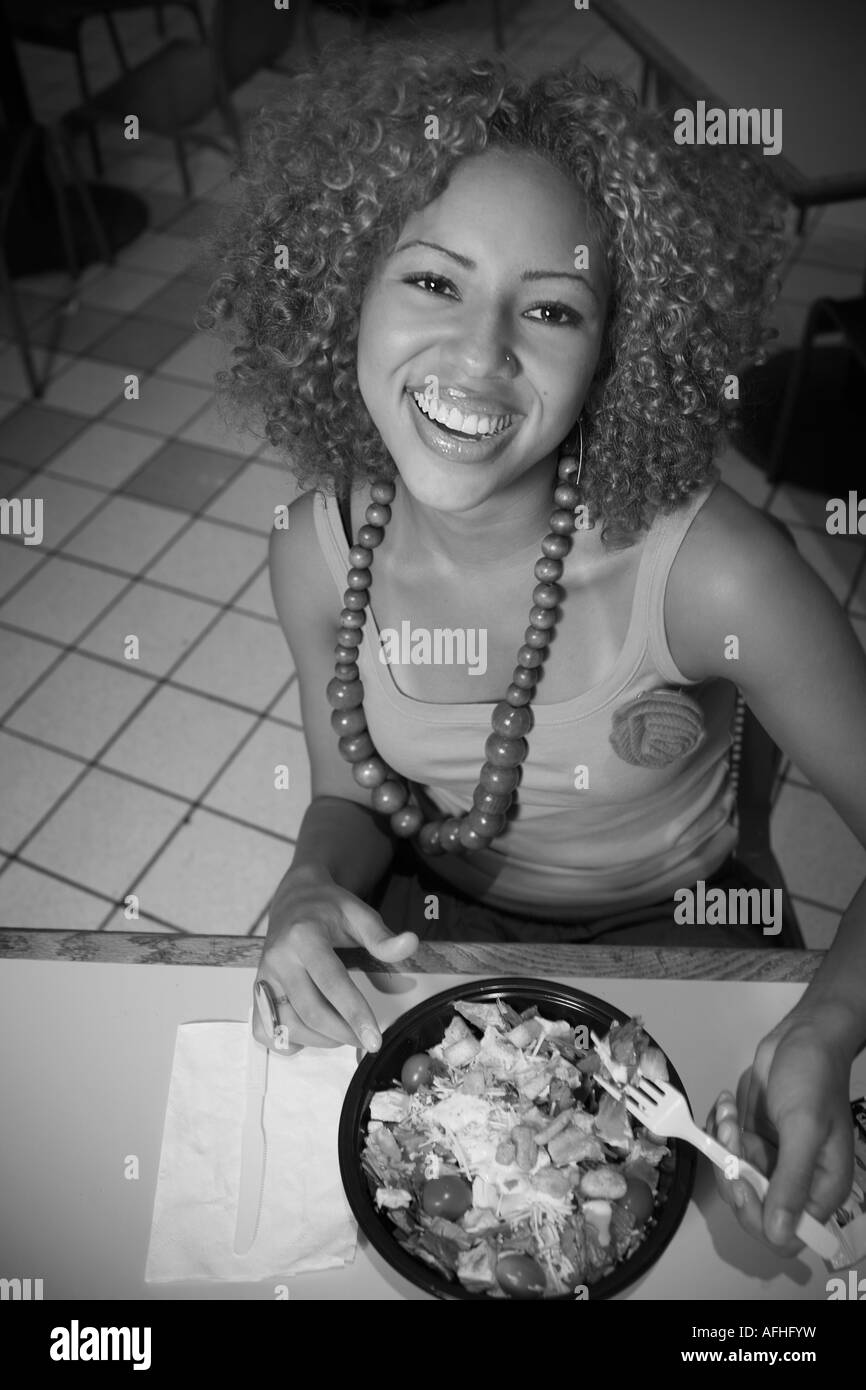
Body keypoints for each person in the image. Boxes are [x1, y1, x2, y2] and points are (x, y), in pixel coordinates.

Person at [200, 39, 866, 1262]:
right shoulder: (316, 544)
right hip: (437, 934)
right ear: (346, 291)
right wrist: (308, 881)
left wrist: (826, 1024)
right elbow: (351, 792)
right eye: (433, 282)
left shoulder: (717, 570)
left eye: (550, 308)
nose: (479, 354)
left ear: (614, 352)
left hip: (685, 930)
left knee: (745, 1257)